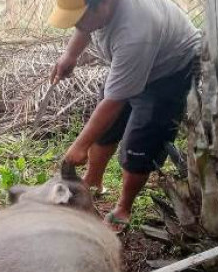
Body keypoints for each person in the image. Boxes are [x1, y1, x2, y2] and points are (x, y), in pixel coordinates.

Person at [48, 0, 201, 232]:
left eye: (80, 18)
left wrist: (79, 146)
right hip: (137, 59)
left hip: (170, 70)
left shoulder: (135, 32)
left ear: (104, 4)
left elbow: (114, 102)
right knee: (105, 129)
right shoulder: (97, 12)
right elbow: (85, 25)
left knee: (141, 142)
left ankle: (123, 208)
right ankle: (93, 180)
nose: (77, 25)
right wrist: (70, 55)